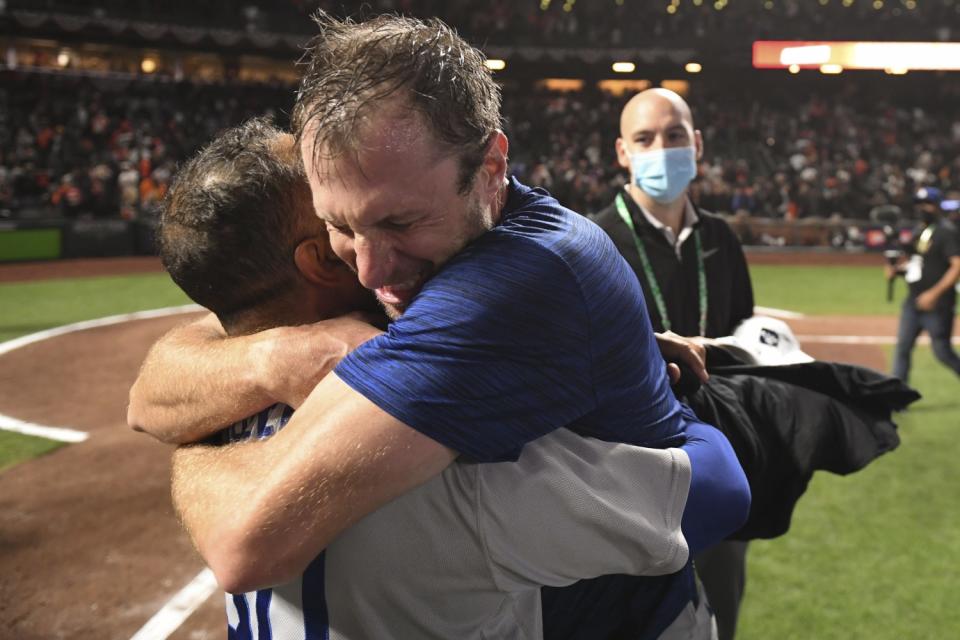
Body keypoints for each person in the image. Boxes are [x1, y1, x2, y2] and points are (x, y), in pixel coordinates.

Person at [129, 13, 748, 638]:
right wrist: (283, 355)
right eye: (339, 228)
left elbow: (245, 542)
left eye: (399, 223)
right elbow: (149, 393)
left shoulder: (510, 288)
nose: (370, 270)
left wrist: (195, 446)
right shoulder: (442, 240)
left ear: (491, 166)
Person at [590, 88, 755, 640]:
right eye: (644, 138)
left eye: (675, 135)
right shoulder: (592, 242)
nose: (661, 148)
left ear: (698, 144)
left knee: (723, 599)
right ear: (621, 152)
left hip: (719, 455)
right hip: (628, 468)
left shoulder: (721, 239)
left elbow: (746, 339)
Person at [888, 186, 960, 382]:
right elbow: (916, 262)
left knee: (942, 352)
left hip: (938, 304)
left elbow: (957, 266)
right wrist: (897, 271)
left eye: (927, 204)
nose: (922, 208)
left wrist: (933, 294)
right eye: (919, 204)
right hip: (913, 301)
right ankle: (897, 400)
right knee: (903, 348)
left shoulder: (946, 232)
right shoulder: (920, 231)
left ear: (937, 206)